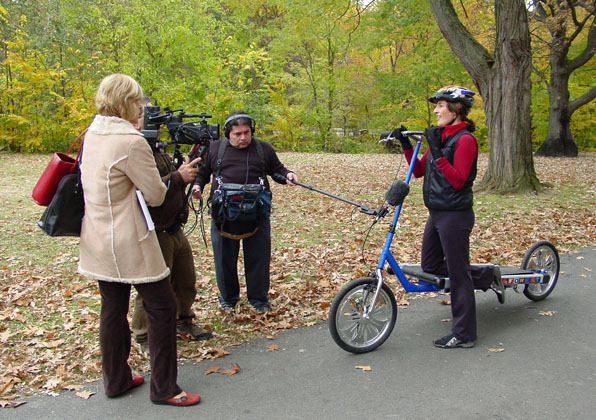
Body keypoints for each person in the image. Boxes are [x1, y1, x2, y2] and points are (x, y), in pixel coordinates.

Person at [77, 74, 200, 406]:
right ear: (125, 102)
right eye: (138, 100)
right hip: (130, 239)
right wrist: (177, 175)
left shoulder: (92, 134)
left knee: (112, 309)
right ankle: (165, 388)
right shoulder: (131, 142)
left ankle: (115, 380)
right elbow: (157, 195)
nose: (143, 106)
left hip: (97, 237)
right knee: (162, 308)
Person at [392, 85, 505, 349]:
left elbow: (458, 180)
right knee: (430, 267)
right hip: (437, 213)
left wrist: (438, 151)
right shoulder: (441, 137)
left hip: (455, 216)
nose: (436, 110)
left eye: (441, 105)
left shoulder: (464, 140)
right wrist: (406, 144)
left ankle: (464, 334)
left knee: (457, 274)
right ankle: (487, 275)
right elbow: (418, 171)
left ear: (455, 110)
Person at [192, 111, 298, 313]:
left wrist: (288, 175)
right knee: (224, 260)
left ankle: (258, 300)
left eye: (246, 133)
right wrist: (197, 187)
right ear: (227, 134)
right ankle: (228, 298)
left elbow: (278, 169)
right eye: (237, 134)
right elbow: (202, 174)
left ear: (252, 131)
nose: (243, 138)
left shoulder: (263, 149)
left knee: (258, 259)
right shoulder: (216, 149)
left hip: (257, 215)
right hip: (224, 216)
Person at [130, 98, 212, 356]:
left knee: (185, 280)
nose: (152, 118)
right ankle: (143, 337)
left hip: (174, 226)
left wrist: (186, 168)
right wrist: (177, 177)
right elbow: (145, 190)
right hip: (155, 229)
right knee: (153, 285)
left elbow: (170, 182)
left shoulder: (159, 148)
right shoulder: (136, 149)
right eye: (147, 113)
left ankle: (183, 321)